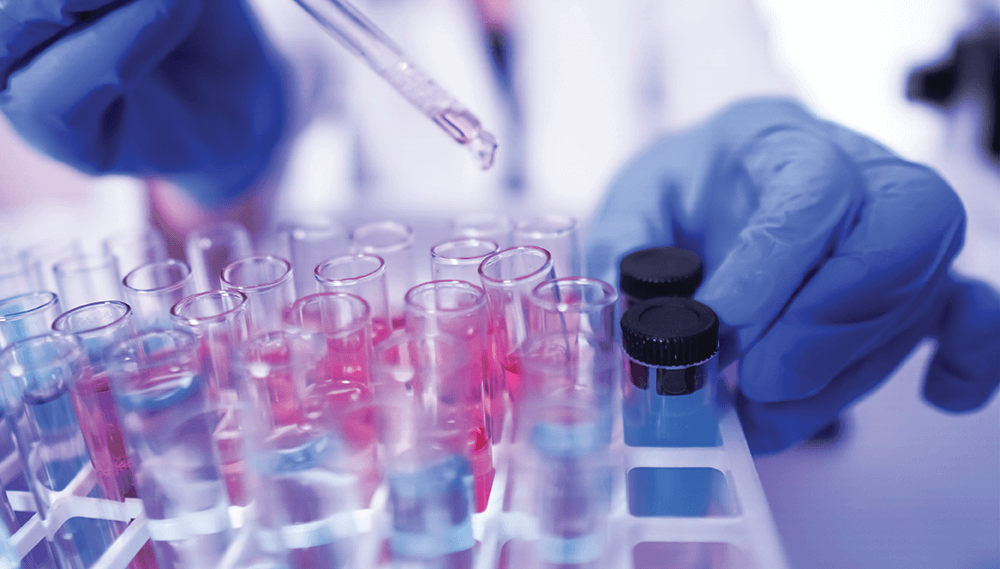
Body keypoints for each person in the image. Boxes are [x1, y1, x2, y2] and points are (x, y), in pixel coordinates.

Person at [1, 0, 997, 457]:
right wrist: (204, 168)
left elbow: (747, 114)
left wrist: (791, 232)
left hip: (623, 438)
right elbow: (214, 248)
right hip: (416, 438)